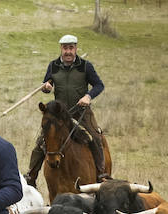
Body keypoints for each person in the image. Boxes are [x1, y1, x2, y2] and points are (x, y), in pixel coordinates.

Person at [24, 34, 107, 187]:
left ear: (76, 48)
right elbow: (47, 84)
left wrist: (88, 96)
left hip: (81, 111)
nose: (68, 51)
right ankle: (31, 176)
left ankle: (102, 173)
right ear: (61, 49)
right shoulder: (53, 65)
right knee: (42, 141)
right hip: (59, 114)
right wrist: (47, 87)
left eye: (71, 48)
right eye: (65, 48)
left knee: (95, 136)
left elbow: (99, 85)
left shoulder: (85, 66)